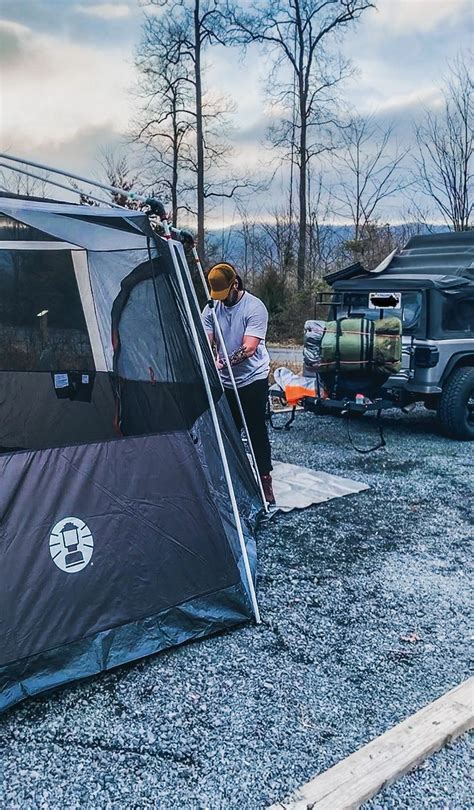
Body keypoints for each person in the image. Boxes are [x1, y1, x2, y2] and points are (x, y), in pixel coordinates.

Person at [201, 262, 275, 505]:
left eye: (225, 294)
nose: (222, 299)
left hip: (252, 378)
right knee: (227, 433)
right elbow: (206, 338)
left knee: (255, 431)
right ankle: (228, 482)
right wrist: (209, 355)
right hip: (226, 383)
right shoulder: (212, 308)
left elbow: (249, 348)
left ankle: (265, 483)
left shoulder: (254, 308)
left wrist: (222, 363)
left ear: (235, 284)